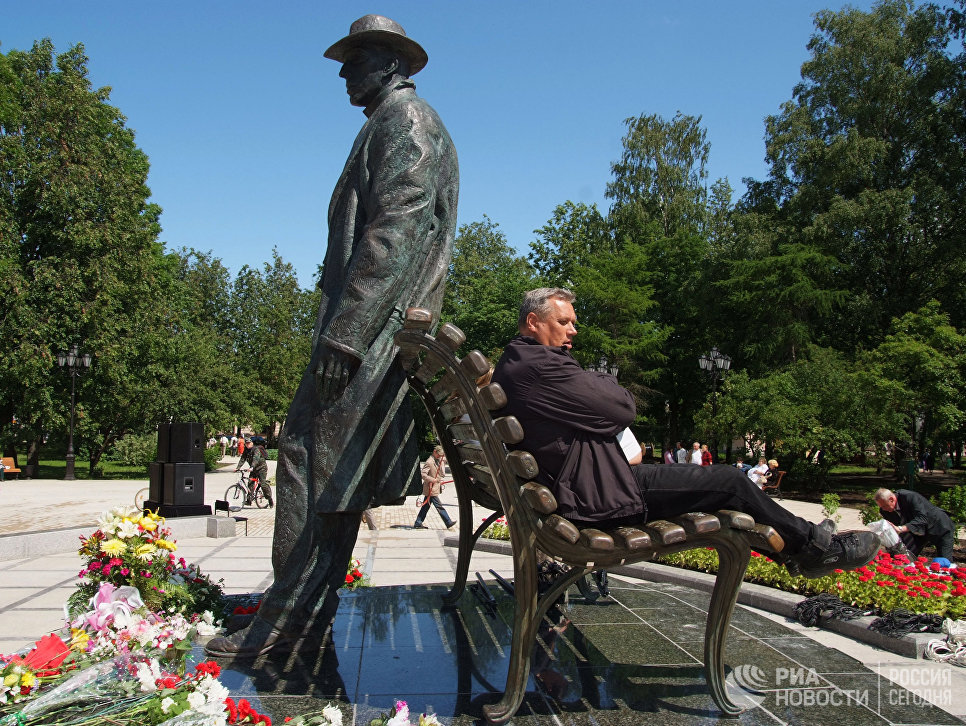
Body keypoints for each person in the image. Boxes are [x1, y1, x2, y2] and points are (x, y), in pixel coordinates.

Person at [206, 14, 459, 658]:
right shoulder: (388, 124)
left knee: (305, 469)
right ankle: (293, 621)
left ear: (391, 63)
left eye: (357, 58)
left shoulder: (405, 122)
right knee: (324, 482)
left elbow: (394, 233)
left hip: (370, 339)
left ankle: (286, 628)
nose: (344, 71)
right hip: (374, 333)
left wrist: (344, 337)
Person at [490, 288, 879, 580]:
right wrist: (603, 385)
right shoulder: (543, 366)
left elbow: (604, 413)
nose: (573, 330)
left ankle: (802, 549)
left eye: (573, 321)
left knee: (723, 487)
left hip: (587, 483)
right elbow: (623, 408)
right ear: (533, 322)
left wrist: (595, 393)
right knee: (729, 481)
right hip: (595, 495)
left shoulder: (519, 362)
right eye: (564, 322)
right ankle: (813, 549)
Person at [875, 488, 955, 562]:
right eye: (881, 507)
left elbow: (923, 518)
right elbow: (895, 531)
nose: (884, 509)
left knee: (944, 560)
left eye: (884, 506)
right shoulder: (885, 510)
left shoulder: (910, 497)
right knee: (902, 556)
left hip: (939, 526)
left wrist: (900, 529)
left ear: (891, 499)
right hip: (917, 530)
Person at [413, 445, 456, 529]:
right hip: (430, 488)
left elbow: (444, 462)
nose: (440, 456)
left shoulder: (437, 460)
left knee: (425, 507)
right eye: (438, 454)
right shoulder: (429, 462)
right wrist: (433, 480)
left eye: (441, 455)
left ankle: (418, 522)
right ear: (434, 452)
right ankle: (448, 522)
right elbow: (423, 474)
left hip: (434, 488)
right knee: (438, 506)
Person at [237, 436, 274, 507]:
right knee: (250, 483)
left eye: (249, 443)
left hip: (261, 468)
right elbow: (242, 459)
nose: (247, 444)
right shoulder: (246, 450)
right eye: (246, 443)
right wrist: (238, 467)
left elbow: (255, 459)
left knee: (263, 484)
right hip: (253, 469)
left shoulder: (256, 449)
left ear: (252, 443)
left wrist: (252, 467)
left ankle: (269, 499)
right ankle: (249, 500)